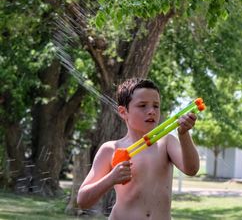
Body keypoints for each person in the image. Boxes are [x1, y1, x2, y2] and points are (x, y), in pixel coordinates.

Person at [77, 78, 200, 219]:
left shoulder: (166, 142)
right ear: (123, 112)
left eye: (156, 106)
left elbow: (192, 169)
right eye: (142, 106)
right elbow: (82, 201)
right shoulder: (111, 149)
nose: (151, 111)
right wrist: (111, 179)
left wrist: (183, 134)